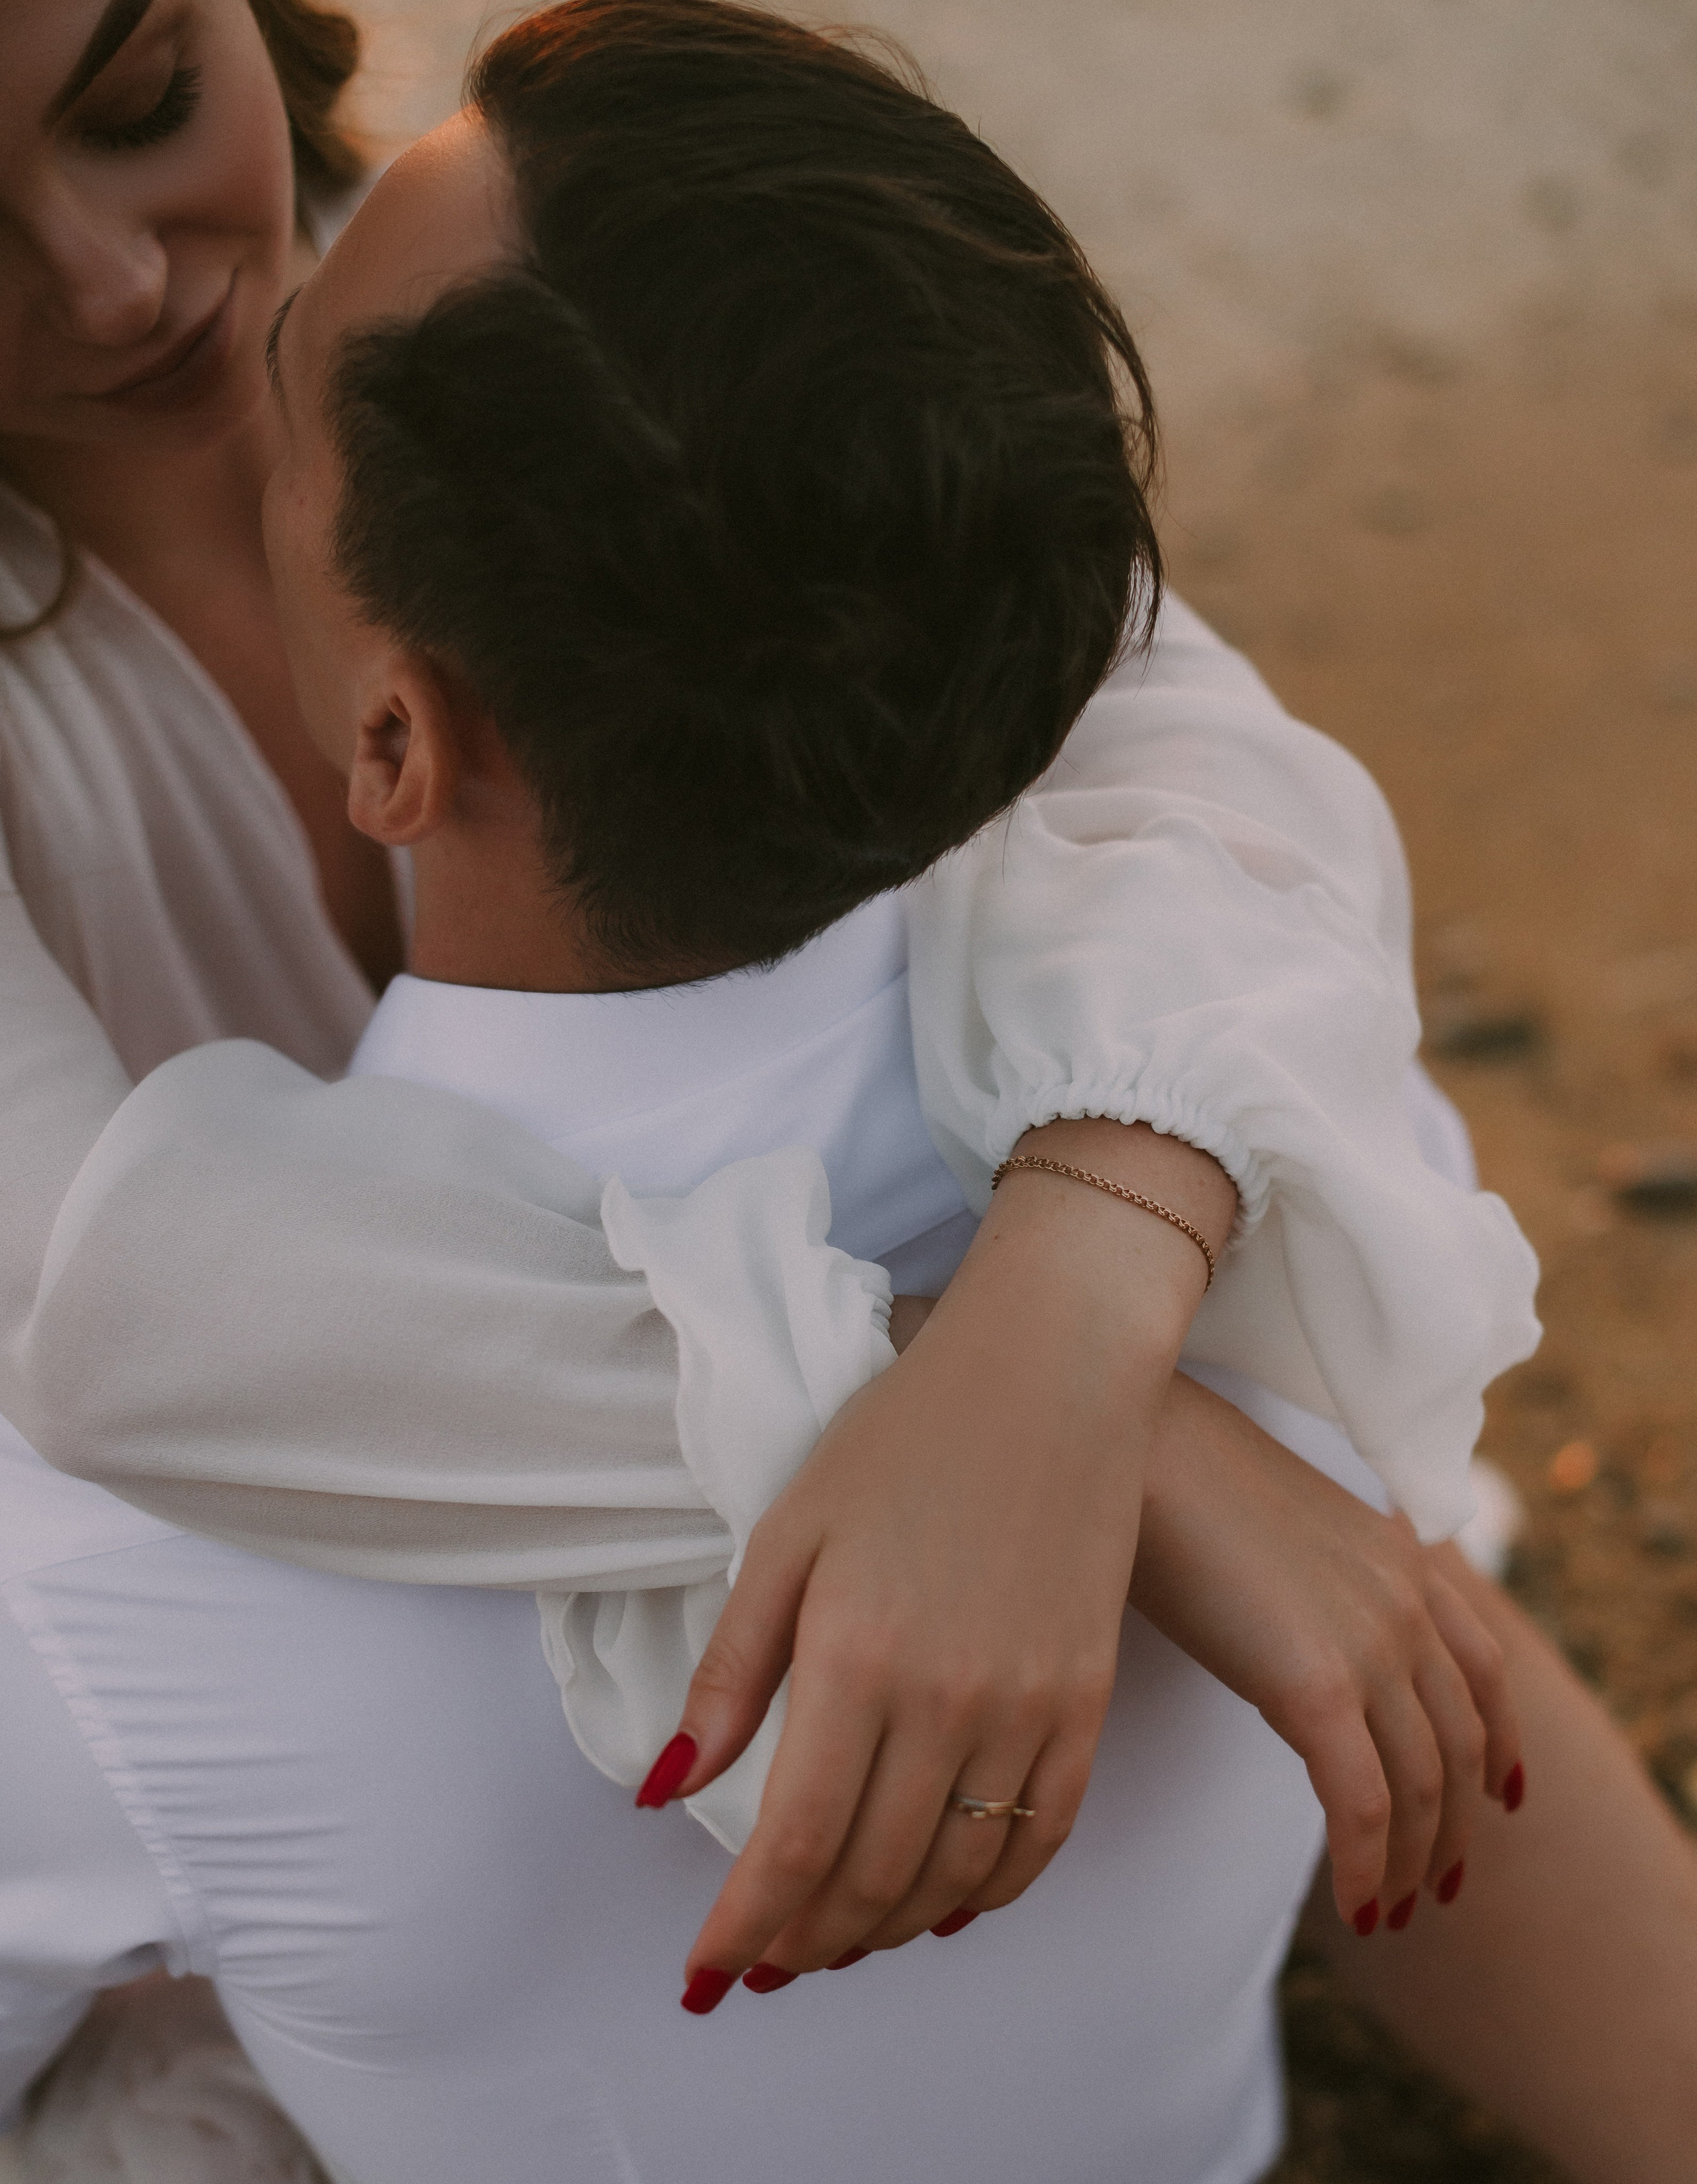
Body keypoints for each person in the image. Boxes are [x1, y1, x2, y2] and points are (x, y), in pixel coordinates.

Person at [1, 3, 1692, 2179]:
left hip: (462, 1478)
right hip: (236, 1517)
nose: (116, 281)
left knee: (1334, 1465)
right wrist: (1073, 1434)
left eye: (141, 108)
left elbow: (1187, 738)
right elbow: (98, 1303)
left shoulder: (536, 241)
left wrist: (1085, 1284)